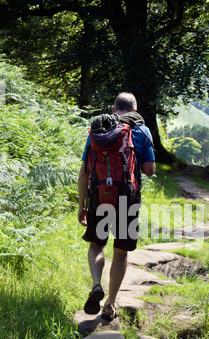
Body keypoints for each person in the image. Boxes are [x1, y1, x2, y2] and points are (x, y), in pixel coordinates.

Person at [78, 92, 156, 321]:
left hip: (99, 195)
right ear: (135, 109)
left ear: (113, 108)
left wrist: (81, 205)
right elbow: (149, 170)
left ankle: (95, 285)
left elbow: (84, 172)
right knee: (120, 252)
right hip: (128, 198)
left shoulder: (99, 128)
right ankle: (110, 305)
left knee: (96, 244)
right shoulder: (142, 130)